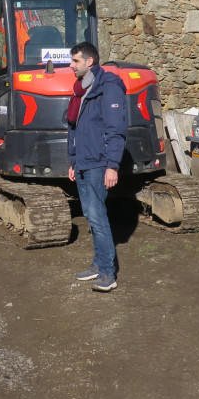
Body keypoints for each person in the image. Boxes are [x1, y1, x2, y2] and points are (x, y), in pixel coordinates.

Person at [66, 42, 128, 293]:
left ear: (89, 62)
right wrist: (73, 160)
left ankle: (107, 273)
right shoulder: (81, 90)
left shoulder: (108, 88)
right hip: (83, 161)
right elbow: (75, 129)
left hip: (99, 163)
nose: (71, 66)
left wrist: (112, 166)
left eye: (75, 61)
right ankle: (98, 263)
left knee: (97, 217)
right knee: (92, 217)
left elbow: (116, 130)